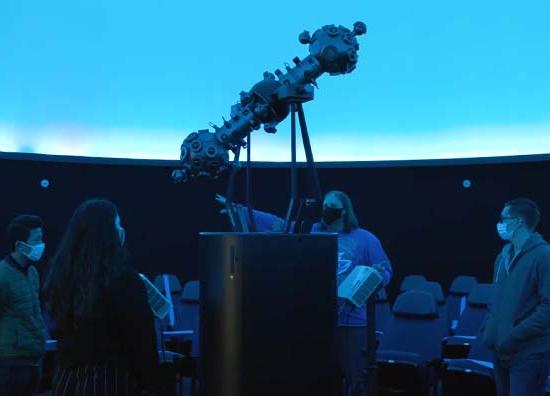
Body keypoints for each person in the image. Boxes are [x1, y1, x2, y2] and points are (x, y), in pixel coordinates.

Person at [215, 190, 392, 396]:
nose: (327, 211)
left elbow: (385, 268)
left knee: (356, 377)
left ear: (345, 211)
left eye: (332, 208)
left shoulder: (365, 239)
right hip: (316, 319)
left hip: (352, 323)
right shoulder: (311, 231)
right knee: (321, 377)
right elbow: (279, 224)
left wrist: (377, 278)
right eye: (325, 206)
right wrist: (239, 210)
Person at [43, 199, 160, 395]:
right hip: (109, 379)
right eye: (118, 224)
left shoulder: (60, 275)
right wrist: (154, 384)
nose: (122, 230)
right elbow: (141, 339)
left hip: (65, 378)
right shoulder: (124, 279)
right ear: (108, 234)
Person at [482, 198, 550, 396]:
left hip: (529, 354)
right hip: (500, 350)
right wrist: (489, 331)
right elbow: (495, 299)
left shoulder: (544, 256)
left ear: (518, 221)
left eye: (504, 218)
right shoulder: (502, 256)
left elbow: (548, 308)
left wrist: (514, 335)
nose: (500, 224)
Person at [0, 215, 48, 395]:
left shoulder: (32, 272)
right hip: (10, 362)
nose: (42, 244)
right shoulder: (2, 275)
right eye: (37, 240)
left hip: (33, 358)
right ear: (20, 245)